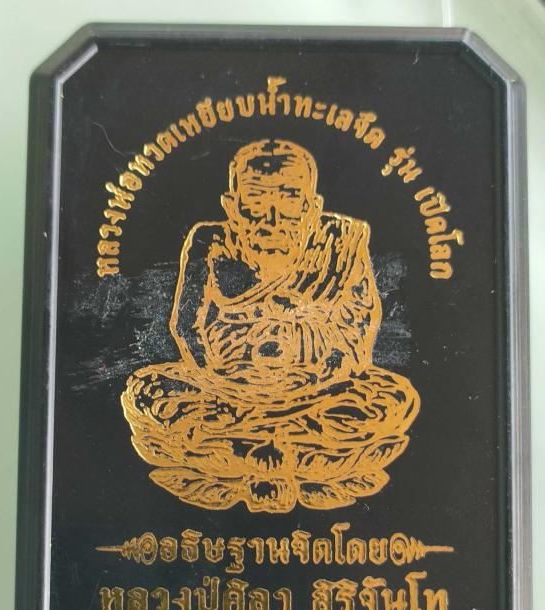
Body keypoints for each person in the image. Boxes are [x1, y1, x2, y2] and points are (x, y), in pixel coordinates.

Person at [121, 138, 420, 513]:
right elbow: (186, 327)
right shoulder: (209, 242)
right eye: (257, 199)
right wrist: (231, 377)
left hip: (316, 392)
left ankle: (232, 452)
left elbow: (357, 330)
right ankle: (295, 451)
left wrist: (306, 363)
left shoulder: (341, 242)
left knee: (391, 398)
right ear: (232, 206)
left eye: (289, 198)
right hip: (227, 389)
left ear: (312, 207)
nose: (273, 216)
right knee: (149, 389)